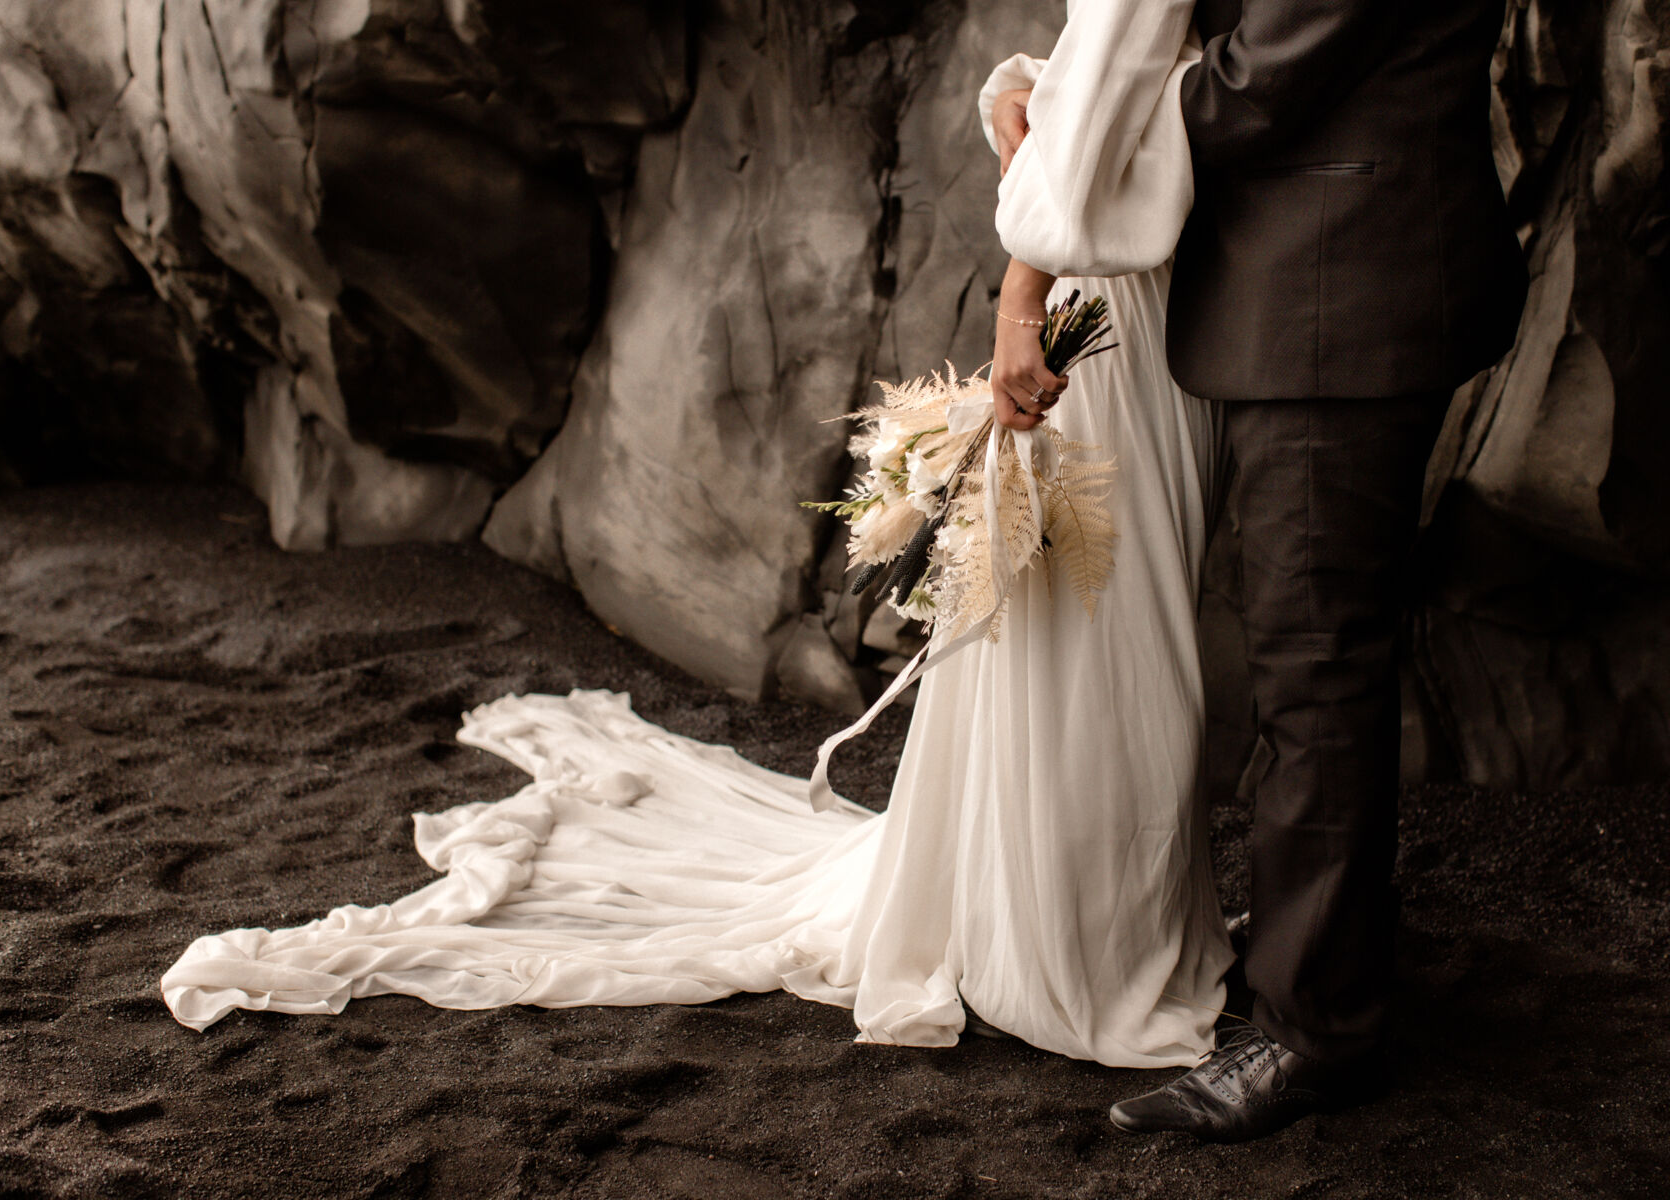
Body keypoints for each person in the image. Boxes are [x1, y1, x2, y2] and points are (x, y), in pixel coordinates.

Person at [162, 0, 1234, 1071]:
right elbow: (1110, 78)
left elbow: (1112, 86)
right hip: (1121, 303)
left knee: (1093, 621)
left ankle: (1071, 918)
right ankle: (1078, 941)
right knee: (1089, 624)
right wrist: (1024, 223)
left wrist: (1024, 236)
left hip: (1123, 301)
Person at [1054, 0, 1525, 1141]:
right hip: (1323, 278)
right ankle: (1322, 964)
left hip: (1338, 293)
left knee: (1316, 668)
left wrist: (1085, 130)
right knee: (1314, 656)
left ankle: (1313, 1033)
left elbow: (1256, 82)